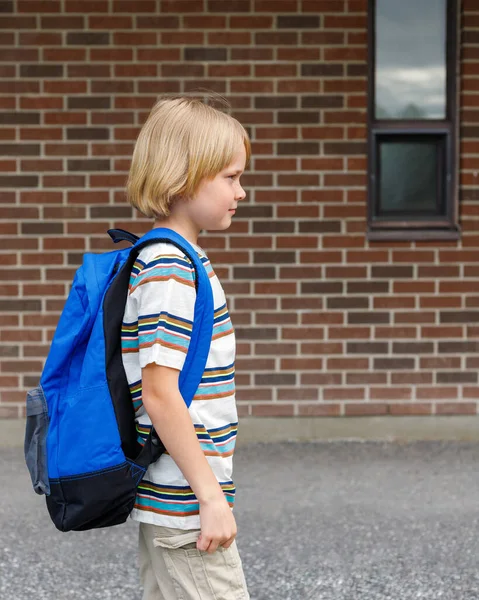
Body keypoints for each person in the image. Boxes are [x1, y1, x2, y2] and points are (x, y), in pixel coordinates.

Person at [121, 94, 251, 600]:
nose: (241, 191)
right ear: (182, 177)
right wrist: (210, 496)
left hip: (175, 500)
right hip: (184, 504)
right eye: (230, 177)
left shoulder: (177, 259)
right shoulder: (170, 267)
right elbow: (160, 392)